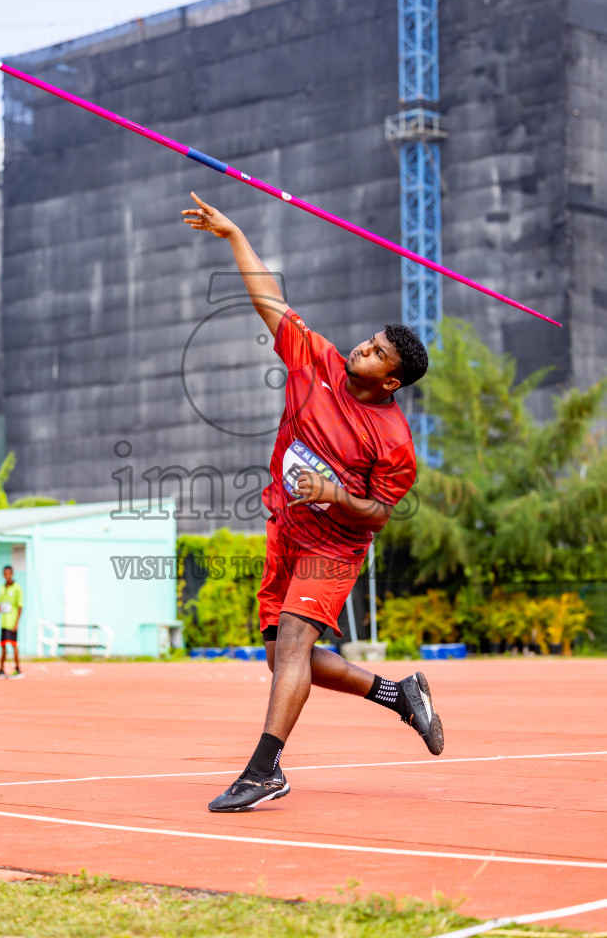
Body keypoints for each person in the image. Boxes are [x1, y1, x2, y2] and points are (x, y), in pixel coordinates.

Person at [182, 192, 444, 813]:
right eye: (371, 340)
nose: (364, 348)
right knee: (278, 657)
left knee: (294, 645)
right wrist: (234, 235)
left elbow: (380, 514)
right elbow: (268, 299)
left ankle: (264, 768)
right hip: (285, 531)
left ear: (391, 381)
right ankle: (398, 694)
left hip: (334, 546)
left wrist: (335, 493)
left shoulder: (395, 440)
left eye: (379, 352)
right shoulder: (315, 360)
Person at [0, 565, 23, 678]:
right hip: (4, 622)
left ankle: (18, 669)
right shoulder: (2, 587)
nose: (7, 576)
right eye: (5, 573)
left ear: (12, 574)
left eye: (9, 573)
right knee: (3, 645)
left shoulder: (17, 588)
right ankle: (1, 668)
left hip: (12, 621)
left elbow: (20, 606)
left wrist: (16, 623)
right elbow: (0, 604)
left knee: (14, 645)